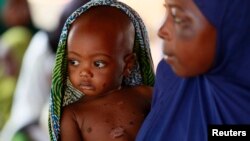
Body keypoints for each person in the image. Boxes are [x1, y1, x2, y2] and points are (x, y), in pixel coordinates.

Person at [136, 0, 250, 141]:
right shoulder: (169, 76)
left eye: (178, 17)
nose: (162, 31)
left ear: (233, 23)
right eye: (166, 11)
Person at [48, 0, 155, 141]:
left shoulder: (145, 96)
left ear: (128, 64)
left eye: (98, 63)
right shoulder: (73, 115)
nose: (84, 72)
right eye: (74, 62)